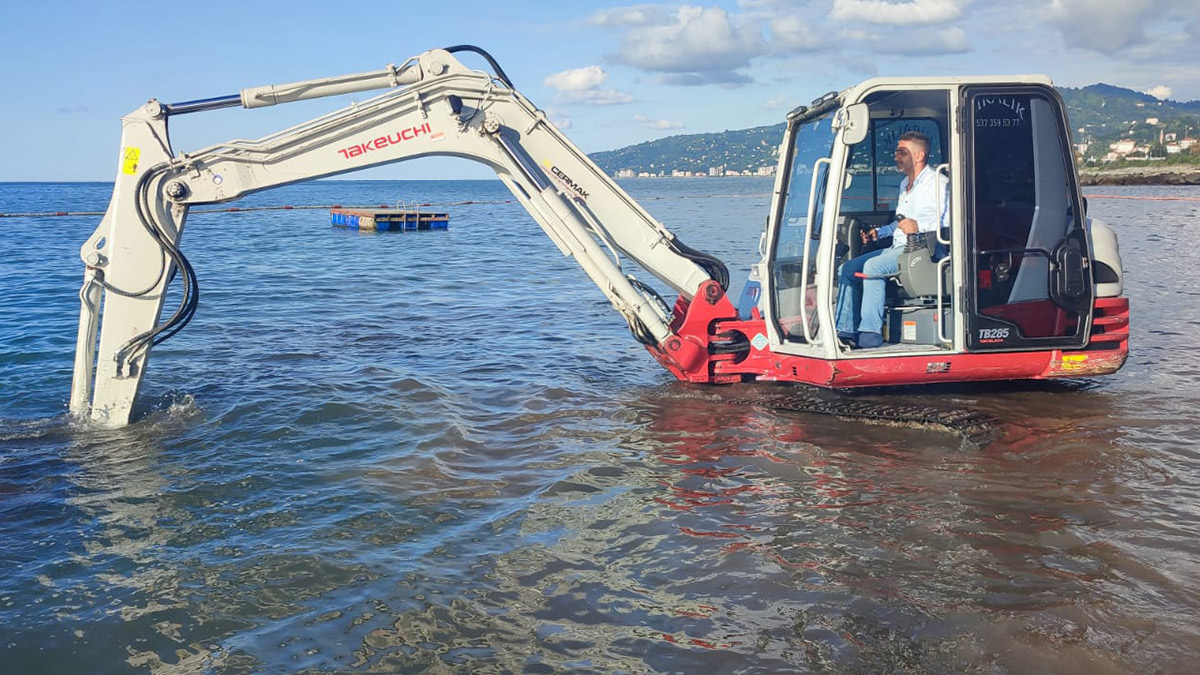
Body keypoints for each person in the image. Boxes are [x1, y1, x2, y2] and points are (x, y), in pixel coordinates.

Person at [834, 131, 949, 348]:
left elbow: (951, 222)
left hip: (923, 248)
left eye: (901, 152)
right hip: (899, 247)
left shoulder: (939, 184)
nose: (896, 157)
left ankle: (870, 333)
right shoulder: (905, 184)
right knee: (847, 269)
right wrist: (881, 232)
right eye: (896, 152)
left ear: (919, 155)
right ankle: (846, 330)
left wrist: (919, 226)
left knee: (873, 267)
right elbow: (901, 221)